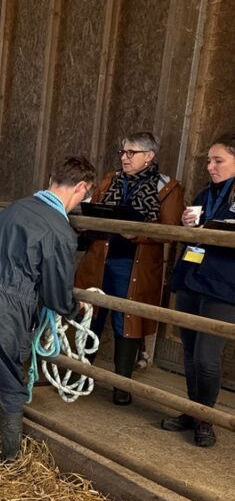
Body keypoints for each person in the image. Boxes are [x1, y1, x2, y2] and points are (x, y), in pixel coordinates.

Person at [0, 156, 96, 477]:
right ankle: (10, 463)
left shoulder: (14, 208)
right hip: (7, 306)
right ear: (80, 187)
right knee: (11, 381)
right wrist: (75, 308)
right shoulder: (61, 231)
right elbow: (55, 293)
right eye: (85, 195)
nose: (81, 201)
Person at [75, 132, 184, 405]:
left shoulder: (167, 187)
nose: (124, 157)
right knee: (92, 315)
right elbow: (96, 208)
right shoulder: (111, 180)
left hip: (134, 264)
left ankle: (121, 383)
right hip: (101, 258)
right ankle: (79, 375)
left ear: (149, 156)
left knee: (127, 321)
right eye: (123, 152)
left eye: (131, 153)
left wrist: (138, 234)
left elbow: (170, 230)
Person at [161, 133, 235, 448]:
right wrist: (188, 224)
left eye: (218, 160)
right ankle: (192, 410)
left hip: (224, 286)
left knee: (207, 356)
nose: (210, 166)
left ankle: (206, 417)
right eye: (208, 160)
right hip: (191, 278)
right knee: (190, 353)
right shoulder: (207, 194)